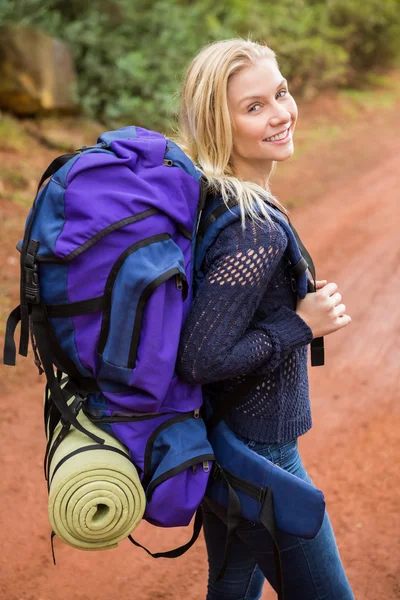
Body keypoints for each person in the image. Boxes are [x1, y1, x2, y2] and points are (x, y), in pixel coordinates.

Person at [175, 39, 355, 600]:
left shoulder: (213, 199)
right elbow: (201, 357)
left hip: (228, 441)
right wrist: (300, 325)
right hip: (261, 458)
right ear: (218, 124)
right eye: (254, 107)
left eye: (280, 93)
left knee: (231, 588)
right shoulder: (252, 228)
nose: (281, 113)